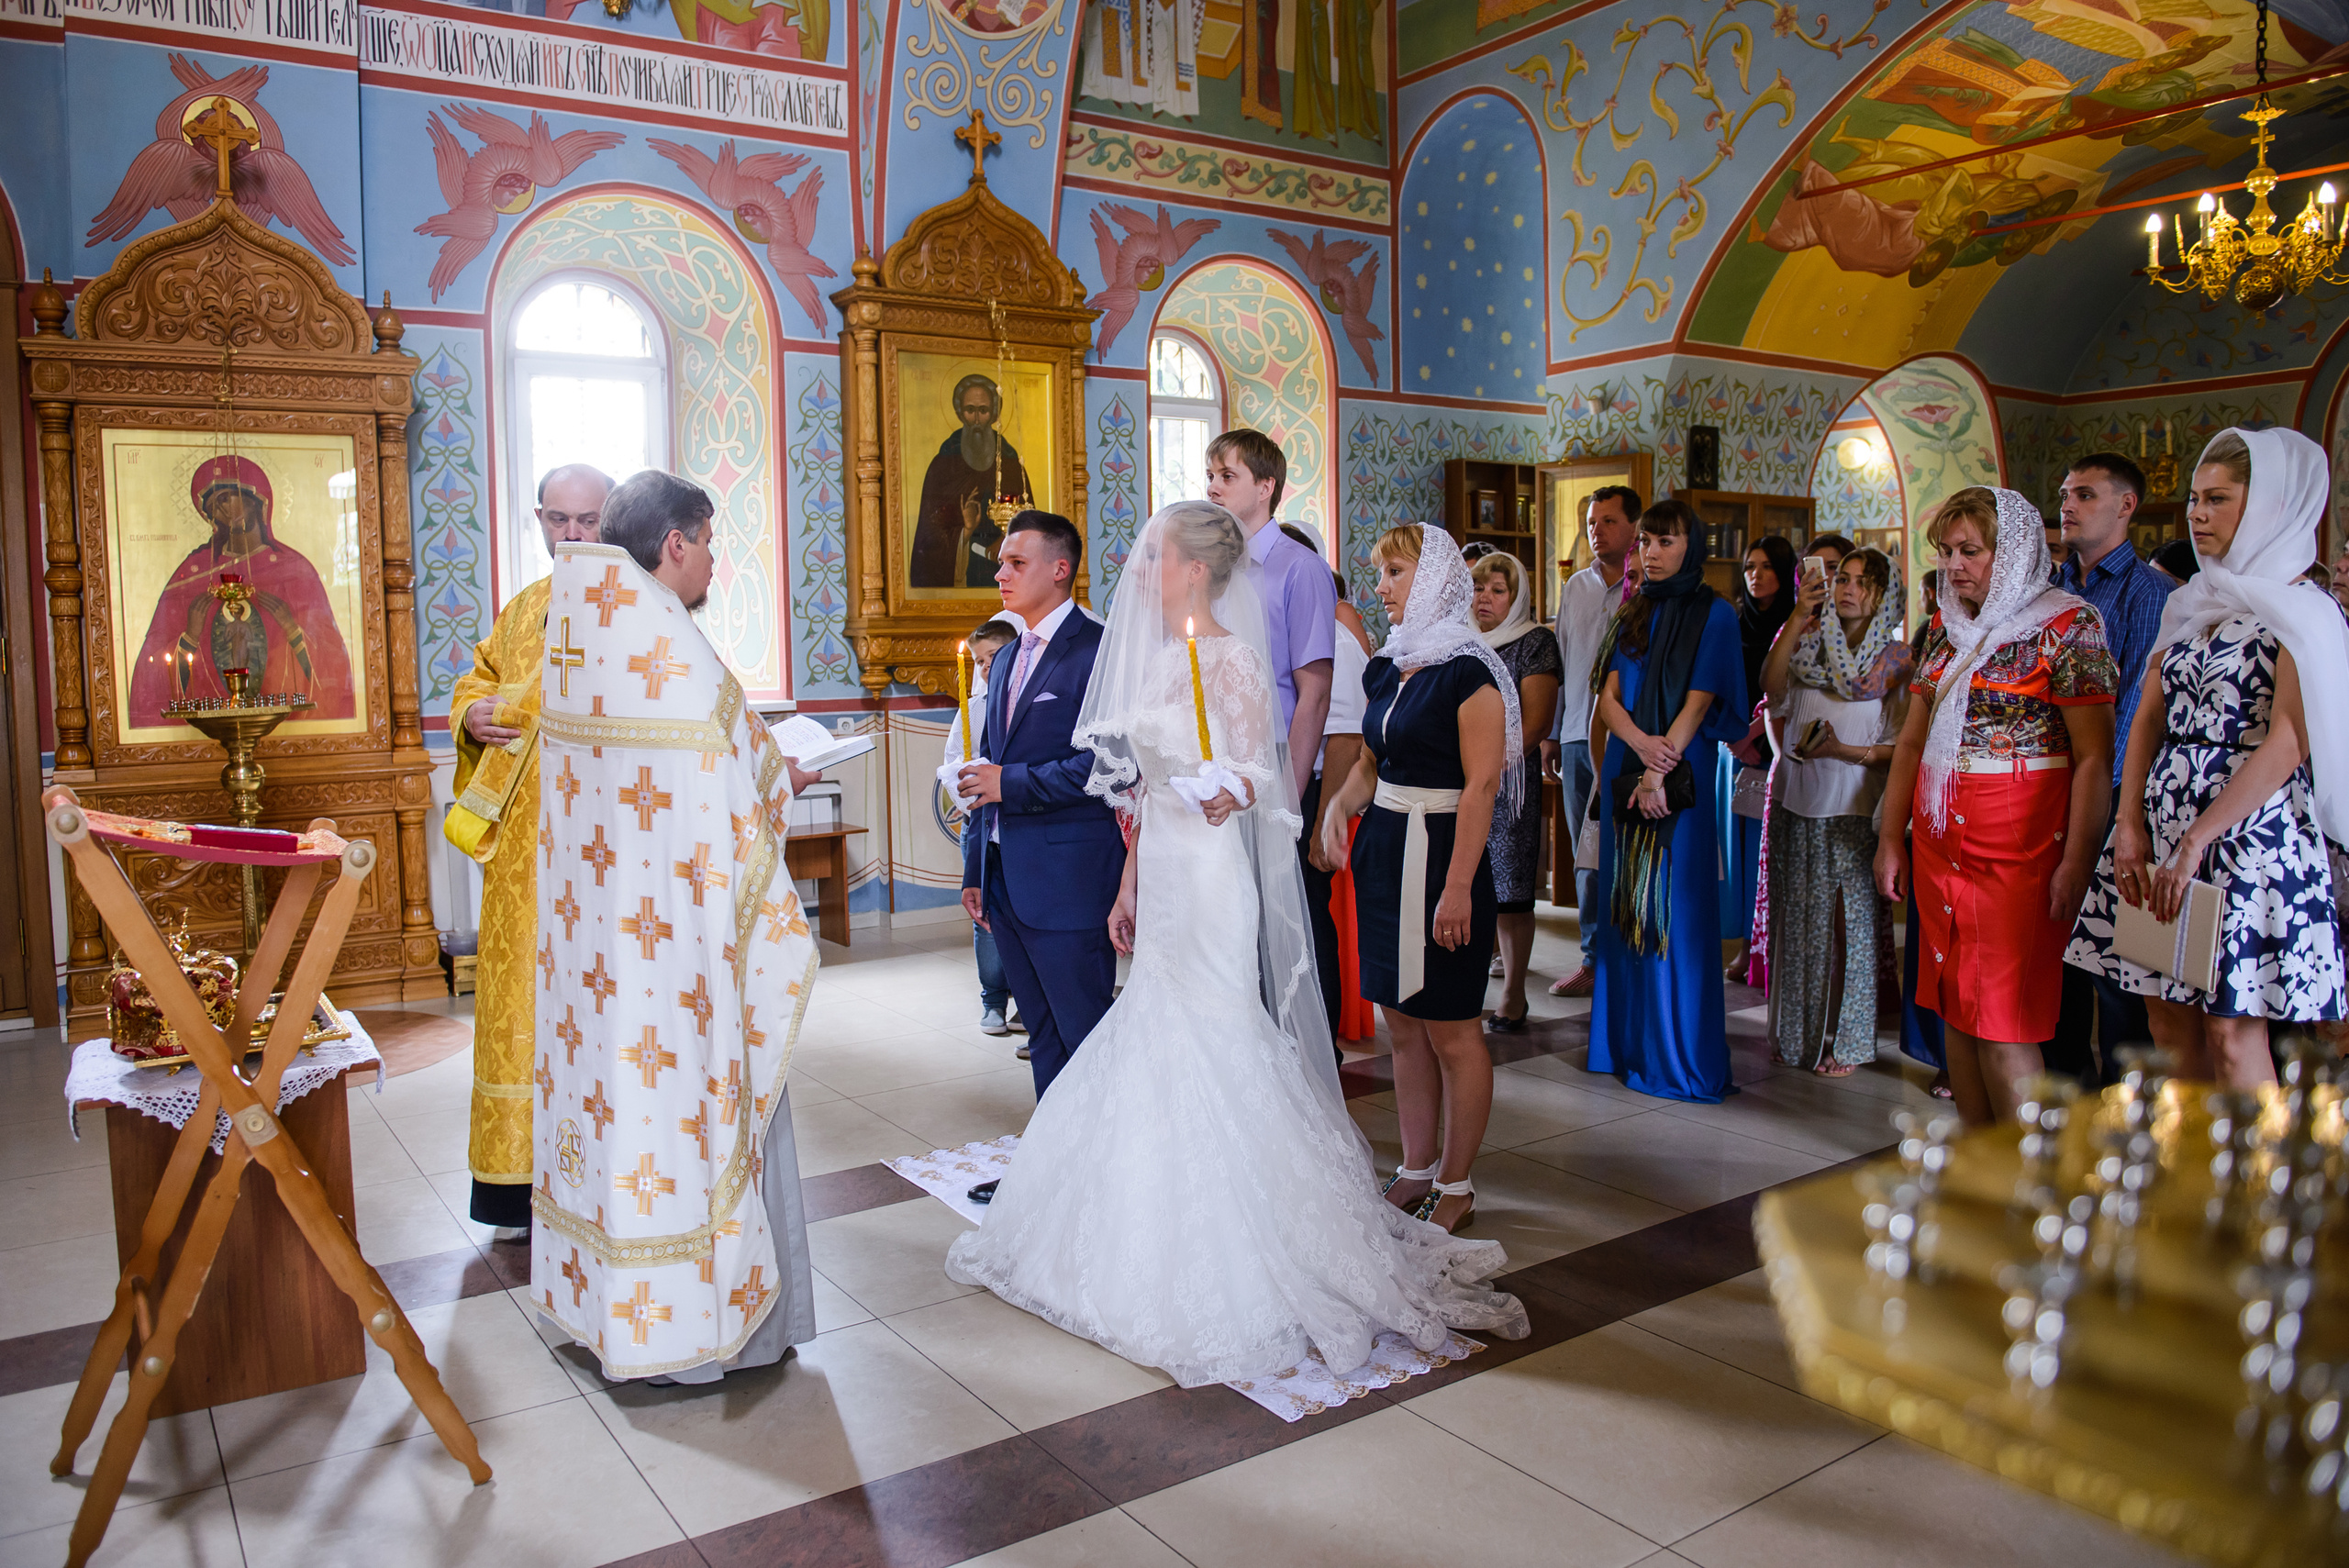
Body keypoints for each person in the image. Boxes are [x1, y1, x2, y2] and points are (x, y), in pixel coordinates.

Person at [946, 503, 1528, 1385]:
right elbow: (1136, 787)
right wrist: (1130, 880)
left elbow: (1256, 769)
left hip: (1215, 872)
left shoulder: (1233, 657)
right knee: (1153, 1020)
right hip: (1166, 865)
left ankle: (1269, 1239)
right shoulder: (1148, 658)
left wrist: (1233, 792)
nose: (1143, 569)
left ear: (1193, 570)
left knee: (1214, 1026)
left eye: (1157, 557)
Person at [531, 472, 823, 1383]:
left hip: (599, 950)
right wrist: (784, 781)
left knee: (613, 1112)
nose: (712, 561)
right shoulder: (668, 641)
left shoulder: (584, 626)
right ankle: (702, 1340)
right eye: (707, 542)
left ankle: (606, 1315)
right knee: (694, 1114)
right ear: (674, 546)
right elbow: (743, 786)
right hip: (676, 959)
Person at [2069, 428, 2349, 1086]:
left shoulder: (2306, 612)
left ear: (2270, 508)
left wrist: (2199, 838)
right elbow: (2147, 715)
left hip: (2248, 835)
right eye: (2195, 498)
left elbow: (2287, 741)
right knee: (2165, 1020)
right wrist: (2129, 821)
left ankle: (2255, 1184)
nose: (2196, 514)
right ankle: (2188, 1174)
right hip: (2163, 824)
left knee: (2230, 1027)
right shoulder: (2193, 600)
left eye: (2217, 499)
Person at [1875, 487, 2117, 1128]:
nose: (1954, 565)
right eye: (1947, 551)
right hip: (1940, 839)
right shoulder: (1944, 627)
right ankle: (1980, 1171)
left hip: (2021, 846)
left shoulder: (2069, 625)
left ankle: (2027, 1188)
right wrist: (1890, 837)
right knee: (1955, 1007)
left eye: (1970, 551)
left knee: (2005, 1019)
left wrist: (2078, 858)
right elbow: (1912, 739)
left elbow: (2093, 756)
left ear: (2009, 552)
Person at [1318, 524, 1514, 1233]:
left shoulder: (1471, 672)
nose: (1381, 587)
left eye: (1395, 572)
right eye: (1379, 573)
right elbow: (1373, 762)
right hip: (1386, 849)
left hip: (1442, 855)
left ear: (1432, 580)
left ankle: (1457, 1183)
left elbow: (1484, 784)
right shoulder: (1387, 666)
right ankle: (1416, 1166)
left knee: (1452, 1027)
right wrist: (1341, 804)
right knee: (1402, 1022)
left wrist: (1459, 884)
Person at [446, 462, 611, 1231]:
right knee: (523, 1012)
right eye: (559, 520)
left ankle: (600, 1174)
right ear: (538, 520)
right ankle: (519, 1181)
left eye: (588, 520)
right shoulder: (524, 611)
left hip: (606, 850)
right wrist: (474, 713)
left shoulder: (636, 606)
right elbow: (477, 680)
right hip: (525, 856)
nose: (573, 535)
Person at [957, 512, 1124, 1202]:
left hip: (1068, 876)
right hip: (1006, 873)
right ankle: (1056, 1167)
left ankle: (1102, 1171)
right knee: (1046, 1036)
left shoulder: (1098, 651)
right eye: (1000, 562)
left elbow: (1106, 765)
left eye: (1015, 562)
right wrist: (976, 866)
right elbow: (987, 763)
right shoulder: (1008, 652)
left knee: (1084, 1033)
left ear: (1061, 569)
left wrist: (1011, 784)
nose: (999, 573)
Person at [1586, 499, 1746, 1103]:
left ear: (1691, 546)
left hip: (1682, 772)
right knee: (1628, 908)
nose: (1650, 553)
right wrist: (1637, 748)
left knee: (1676, 916)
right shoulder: (1633, 609)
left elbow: (1700, 701)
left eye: (1665, 542)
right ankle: (1627, 1046)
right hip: (1634, 760)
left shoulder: (1717, 614)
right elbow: (1608, 696)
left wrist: (1661, 766)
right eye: (1645, 542)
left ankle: (1680, 1056)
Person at [2044, 453, 2174, 1086]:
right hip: (2045, 788)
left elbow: (2133, 716)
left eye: (2085, 494)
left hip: (2116, 793)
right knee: (2055, 946)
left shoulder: (2150, 593)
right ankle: (2065, 1088)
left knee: (2115, 964)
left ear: (2126, 506)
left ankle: (2127, 1110)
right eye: (2066, 493)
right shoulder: (2050, 589)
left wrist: (2106, 805)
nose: (2068, 504)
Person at [1759, 547, 1909, 1074]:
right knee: (1797, 922)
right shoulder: (1805, 643)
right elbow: (1771, 689)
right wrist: (1799, 613)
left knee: (1858, 929)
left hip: (1853, 808)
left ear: (1883, 594)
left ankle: (1850, 1044)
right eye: (1842, 578)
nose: (1848, 589)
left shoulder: (1896, 661)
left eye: (1862, 583)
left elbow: (1901, 748)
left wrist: (1841, 751)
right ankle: (1797, 1036)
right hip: (1795, 801)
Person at [1207, 430, 1338, 1018]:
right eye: (1210, 475)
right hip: (1220, 767)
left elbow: (1312, 694)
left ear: (1266, 486)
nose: (1212, 487)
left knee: (1291, 919)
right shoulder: (1213, 567)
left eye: (1226, 476)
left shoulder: (1298, 568)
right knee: (1233, 915)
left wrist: (1290, 793)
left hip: (1277, 764)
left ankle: (1311, 1057)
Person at [128, 454, 359, 725]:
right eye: (214, 505)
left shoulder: (294, 568)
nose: (222, 509)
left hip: (283, 719)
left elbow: (334, 665)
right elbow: (149, 671)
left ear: (255, 499)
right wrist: (189, 636)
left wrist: (292, 628)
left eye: (228, 497)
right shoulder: (194, 570)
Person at [1540, 484, 1640, 999]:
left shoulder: (1645, 584)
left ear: (1634, 529)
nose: (1596, 531)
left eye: (1607, 521)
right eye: (1591, 522)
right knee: (1588, 854)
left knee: (1630, 851)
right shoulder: (1576, 587)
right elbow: (1561, 661)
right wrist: (1552, 734)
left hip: (1630, 739)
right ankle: (1593, 958)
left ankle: (1631, 956)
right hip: (1578, 734)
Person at [1283, 522, 1372, 1041]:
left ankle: (1321, 1050)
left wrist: (1322, 824)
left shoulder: (1335, 636)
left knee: (1310, 922)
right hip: (1274, 790)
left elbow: (1343, 735)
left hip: (1314, 791)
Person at [1469, 550, 1561, 1031]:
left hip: (1508, 786)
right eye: (1479, 589)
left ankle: (1513, 993)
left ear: (1517, 596)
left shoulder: (1534, 642)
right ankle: (1468, 984)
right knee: (1465, 882)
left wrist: (1493, 761)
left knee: (1510, 894)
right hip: (1461, 781)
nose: (1485, 598)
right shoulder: (1461, 641)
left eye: (1497, 590)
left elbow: (1536, 721)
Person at [1721, 535, 1796, 984]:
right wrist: (1735, 737)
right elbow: (1718, 682)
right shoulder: (1733, 622)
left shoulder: (1796, 624)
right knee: (1739, 856)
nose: (1756, 575)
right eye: (1750, 566)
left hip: (1776, 749)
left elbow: (1788, 692)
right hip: (1734, 750)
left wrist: (1755, 734)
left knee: (1768, 854)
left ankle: (1770, 944)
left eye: (1767, 567)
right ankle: (1746, 946)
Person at [943, 617, 1023, 1036]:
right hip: (981, 823)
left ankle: (1027, 1004)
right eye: (979, 662)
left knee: (1025, 913)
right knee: (985, 915)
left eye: (992, 657)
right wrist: (968, 787)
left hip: (1019, 820)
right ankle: (992, 1000)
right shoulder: (972, 709)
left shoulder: (1027, 703)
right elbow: (953, 760)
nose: (986, 668)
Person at [910, 374, 1029, 588]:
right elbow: (928, 539)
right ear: (960, 413)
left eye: (983, 411)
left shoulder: (1010, 465)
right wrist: (964, 531)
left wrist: (1007, 541)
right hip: (961, 573)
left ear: (993, 414)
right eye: (970, 410)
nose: (976, 420)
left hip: (1007, 575)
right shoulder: (943, 465)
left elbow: (1032, 525)